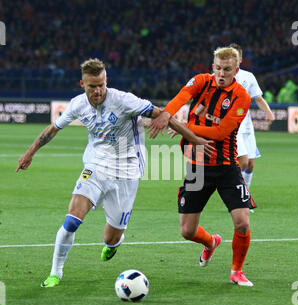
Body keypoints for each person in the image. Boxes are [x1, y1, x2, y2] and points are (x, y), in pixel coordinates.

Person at [16, 58, 213, 288]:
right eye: (92, 86)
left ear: (106, 81)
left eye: (101, 84)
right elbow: (53, 129)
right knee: (72, 220)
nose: (98, 90)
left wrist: (195, 139)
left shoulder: (124, 100)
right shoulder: (78, 104)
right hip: (95, 166)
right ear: (83, 84)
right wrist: (30, 153)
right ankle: (55, 273)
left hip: (127, 172)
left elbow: (163, 115)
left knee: (111, 237)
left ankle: (113, 244)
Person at [147, 47, 255, 286]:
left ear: (236, 70)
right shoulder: (201, 81)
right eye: (217, 68)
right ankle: (210, 242)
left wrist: (181, 126)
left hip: (227, 166)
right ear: (212, 66)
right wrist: (167, 114)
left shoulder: (241, 97)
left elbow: (220, 132)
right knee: (187, 231)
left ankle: (236, 270)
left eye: (227, 69)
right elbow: (181, 97)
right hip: (197, 165)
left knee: (243, 222)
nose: (220, 74)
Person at [229, 44, 275, 199]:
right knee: (242, 161)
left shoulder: (248, 77)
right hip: (232, 126)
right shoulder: (221, 75)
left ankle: (244, 194)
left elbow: (258, 98)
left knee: (250, 164)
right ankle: (238, 196)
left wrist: (268, 112)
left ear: (240, 59)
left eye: (236, 56)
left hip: (247, 126)